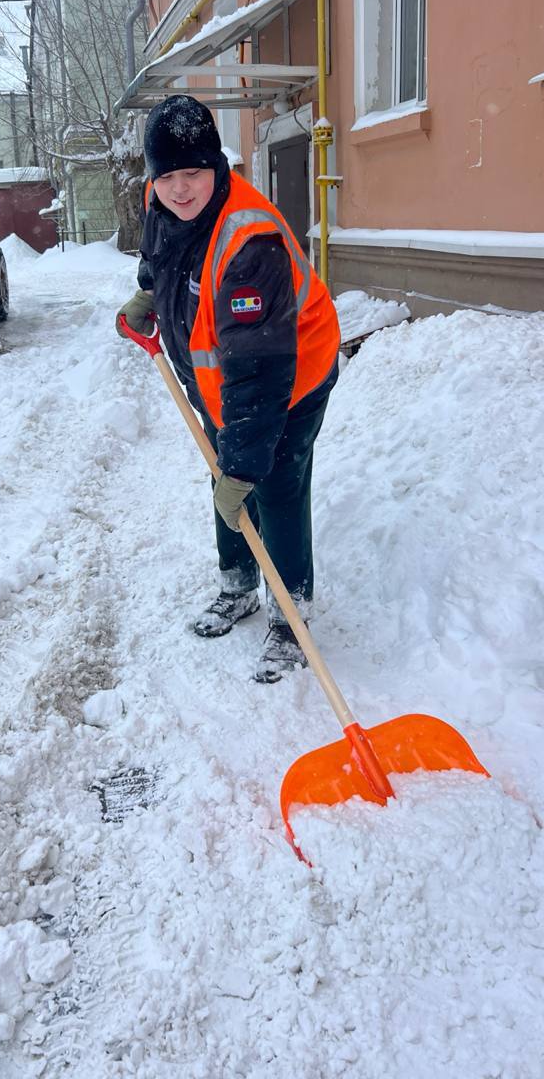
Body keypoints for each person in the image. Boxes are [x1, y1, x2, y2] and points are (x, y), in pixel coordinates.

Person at [117, 95, 340, 683]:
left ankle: (291, 622)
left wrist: (243, 469)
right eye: (167, 176)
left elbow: (262, 376)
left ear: (217, 167)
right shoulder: (160, 200)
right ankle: (238, 586)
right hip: (222, 381)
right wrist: (147, 293)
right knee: (224, 469)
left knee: (272, 484)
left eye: (193, 173)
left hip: (292, 376)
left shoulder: (250, 244)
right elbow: (159, 253)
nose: (180, 189)